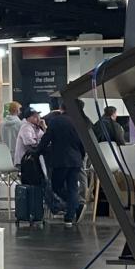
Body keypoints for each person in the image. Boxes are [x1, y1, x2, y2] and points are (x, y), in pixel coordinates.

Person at [37, 95, 86, 227]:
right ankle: (70, 217)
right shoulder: (78, 121)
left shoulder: (56, 121)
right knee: (72, 188)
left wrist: (38, 151)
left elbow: (47, 138)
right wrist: (81, 156)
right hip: (76, 160)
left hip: (60, 160)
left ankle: (74, 206)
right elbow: (82, 143)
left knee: (57, 186)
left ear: (61, 108)